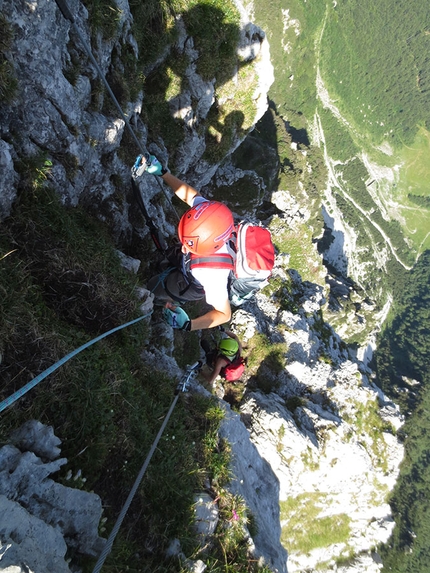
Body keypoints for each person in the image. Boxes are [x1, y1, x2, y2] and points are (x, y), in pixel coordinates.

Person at [141, 153, 235, 331]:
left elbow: (224, 314)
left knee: (155, 287)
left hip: (190, 283)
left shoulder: (213, 275)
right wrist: (163, 173)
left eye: (188, 244)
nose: (183, 246)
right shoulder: (212, 217)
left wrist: (188, 325)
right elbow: (190, 196)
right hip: (191, 264)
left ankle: (154, 301)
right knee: (169, 260)